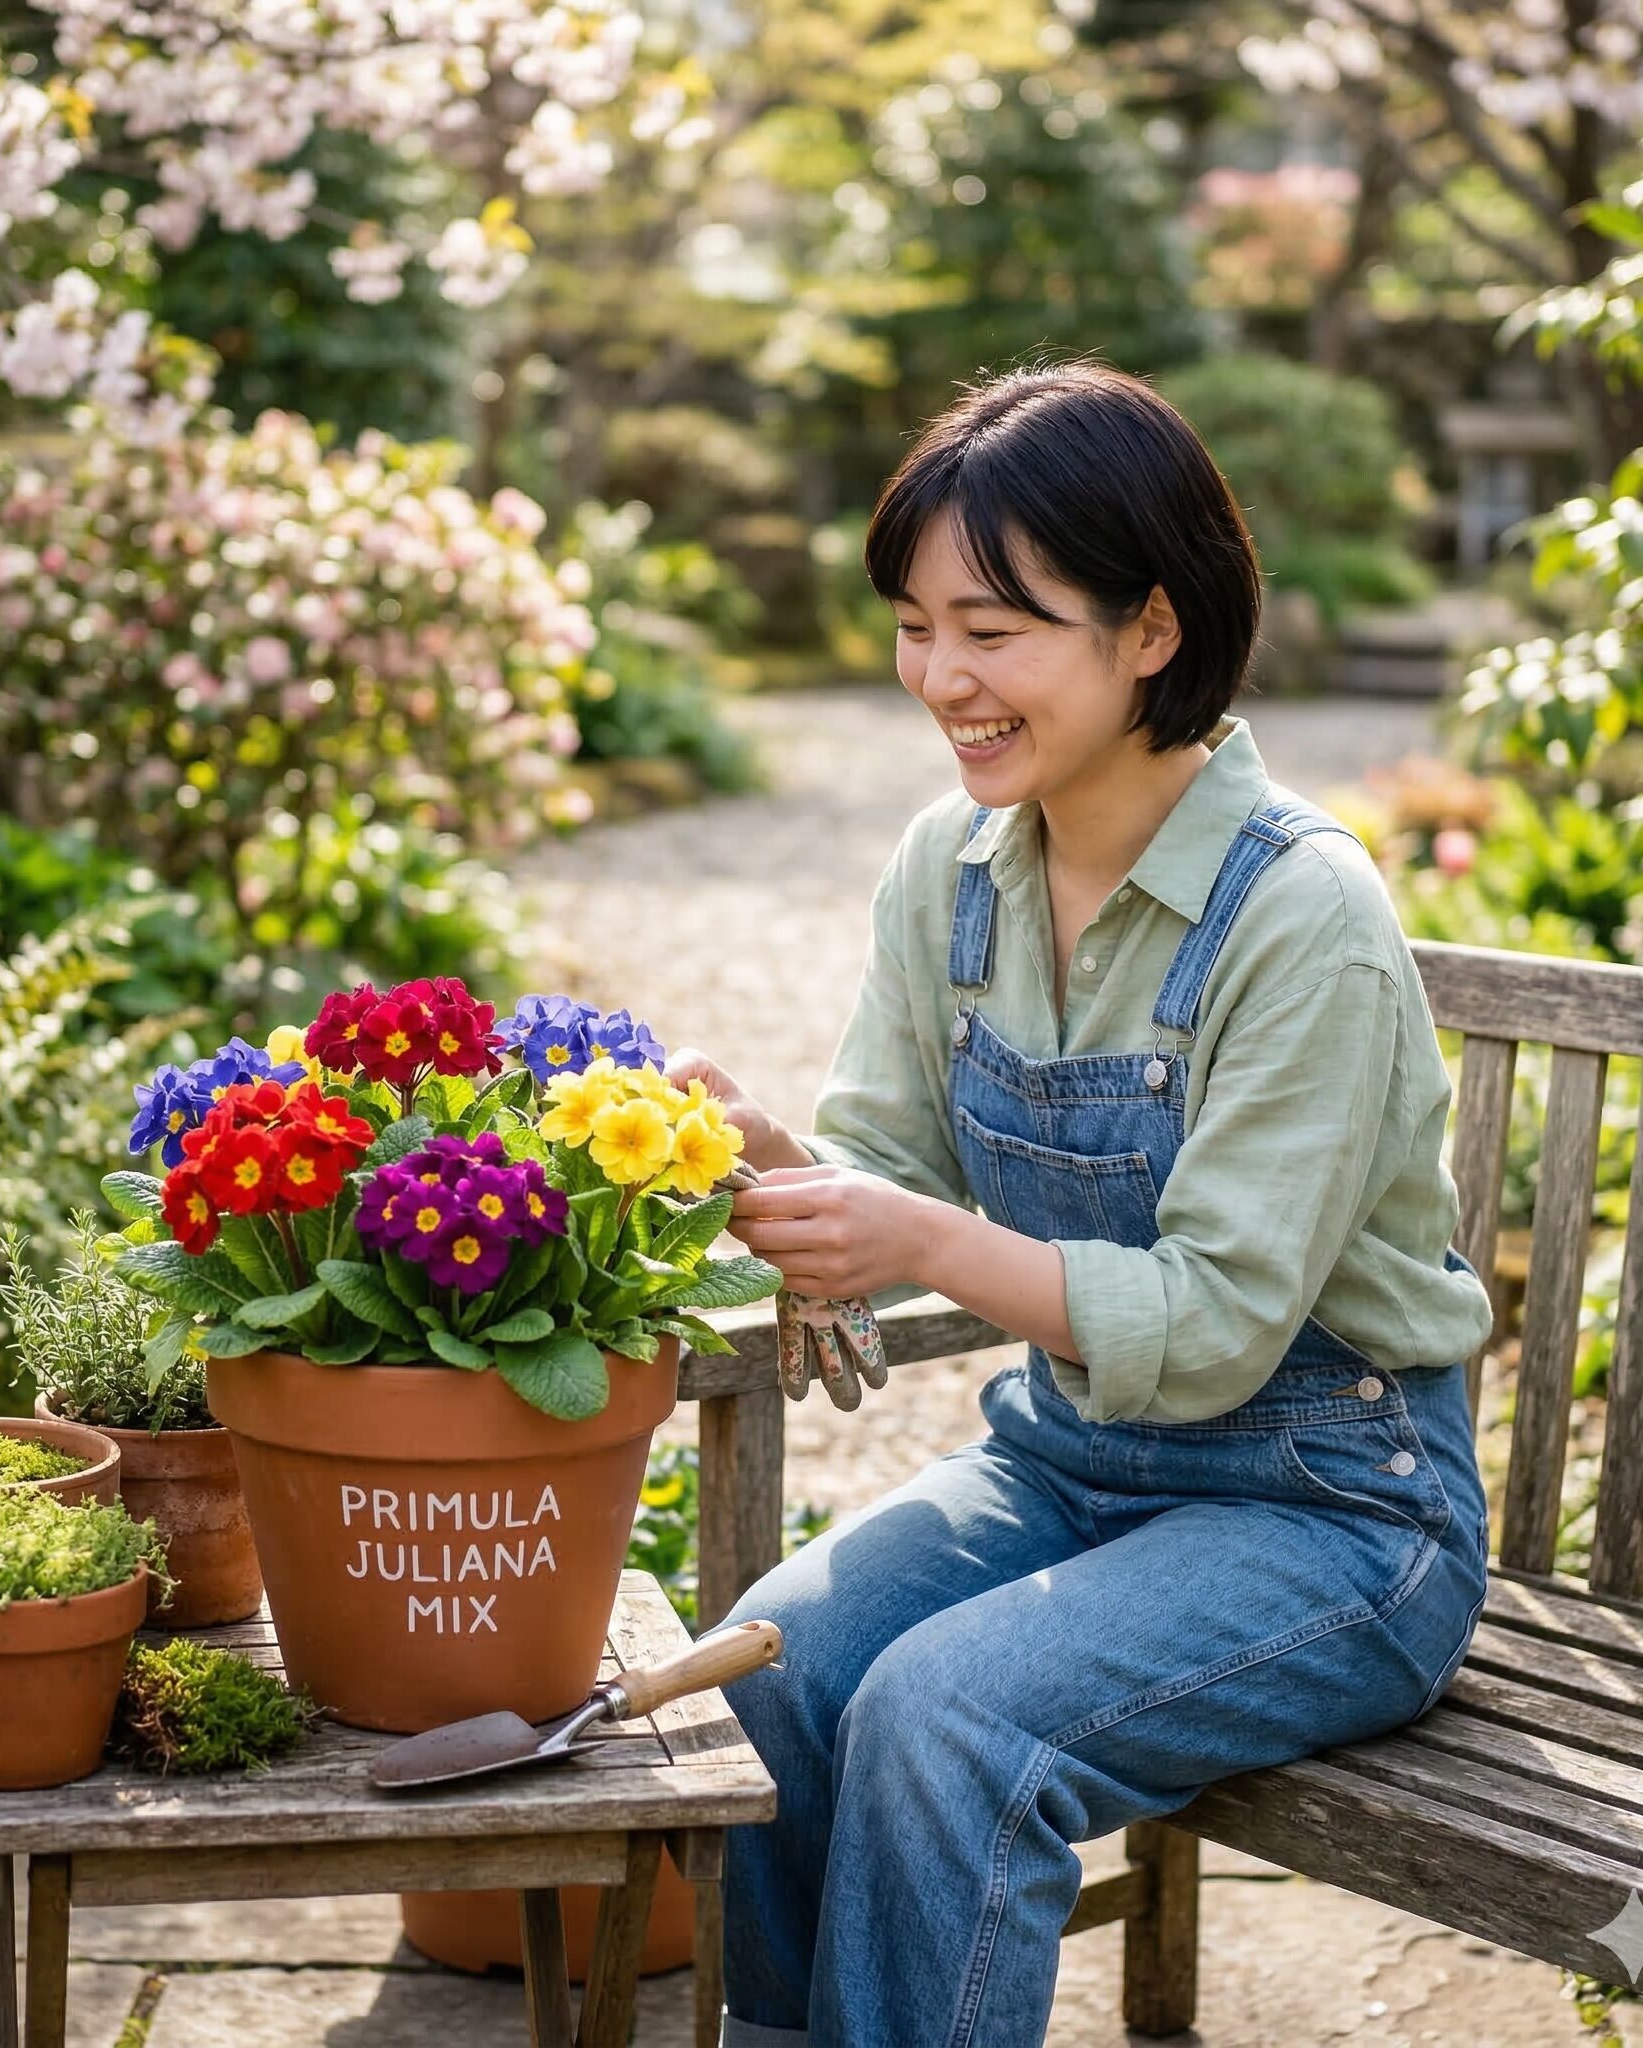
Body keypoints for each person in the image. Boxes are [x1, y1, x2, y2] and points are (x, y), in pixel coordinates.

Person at [665, 361, 1494, 2048]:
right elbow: (887, 1168)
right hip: (1071, 1467)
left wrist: (915, 1242)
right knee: (766, 1668)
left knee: (948, 1721)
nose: (940, 679)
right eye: (914, 625)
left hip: (1335, 1513)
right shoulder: (951, 870)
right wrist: (762, 1157)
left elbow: (1212, 1328)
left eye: (995, 628)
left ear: (1151, 629)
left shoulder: (1301, 916)